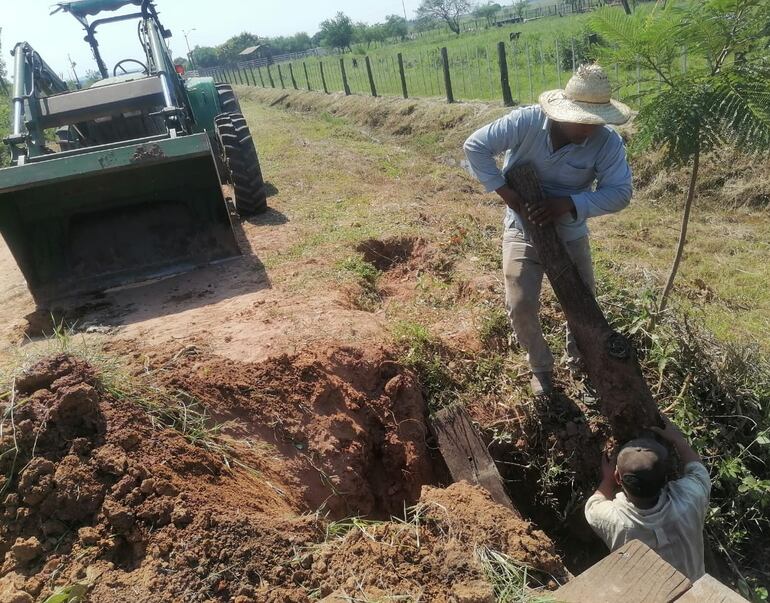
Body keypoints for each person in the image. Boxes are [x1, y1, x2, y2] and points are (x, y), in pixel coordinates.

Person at [463, 64, 633, 395]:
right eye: (581, 119)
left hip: (570, 231)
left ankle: (581, 362)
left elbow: (621, 193)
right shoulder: (525, 122)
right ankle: (540, 367)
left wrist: (568, 204)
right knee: (521, 303)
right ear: (562, 110)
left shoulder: (607, 142)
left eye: (595, 121)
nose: (589, 128)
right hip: (522, 228)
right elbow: (475, 147)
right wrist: (509, 196)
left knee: (582, 303)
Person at [584, 415, 712, 580]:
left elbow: (594, 503)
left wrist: (607, 479)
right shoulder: (690, 500)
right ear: (667, 479)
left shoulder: (615, 521)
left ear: (618, 478)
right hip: (695, 591)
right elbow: (697, 470)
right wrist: (678, 440)